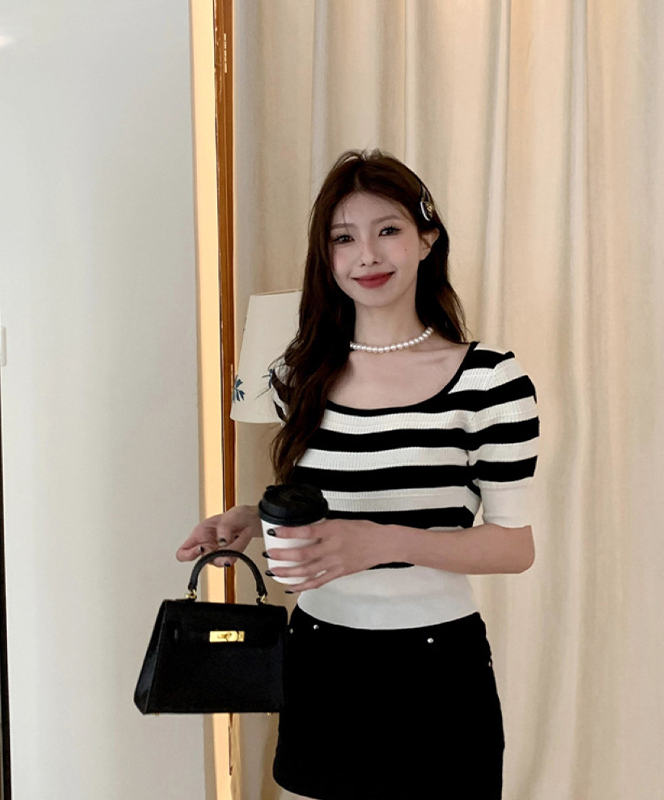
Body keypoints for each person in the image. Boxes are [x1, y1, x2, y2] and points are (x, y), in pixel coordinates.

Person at [177, 149, 539, 800]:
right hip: (321, 655)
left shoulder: (490, 380)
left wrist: (382, 540)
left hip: (438, 664)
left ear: (427, 239)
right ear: (326, 257)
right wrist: (249, 521)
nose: (366, 255)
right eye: (343, 238)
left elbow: (514, 547)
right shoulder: (299, 375)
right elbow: (322, 507)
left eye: (388, 230)